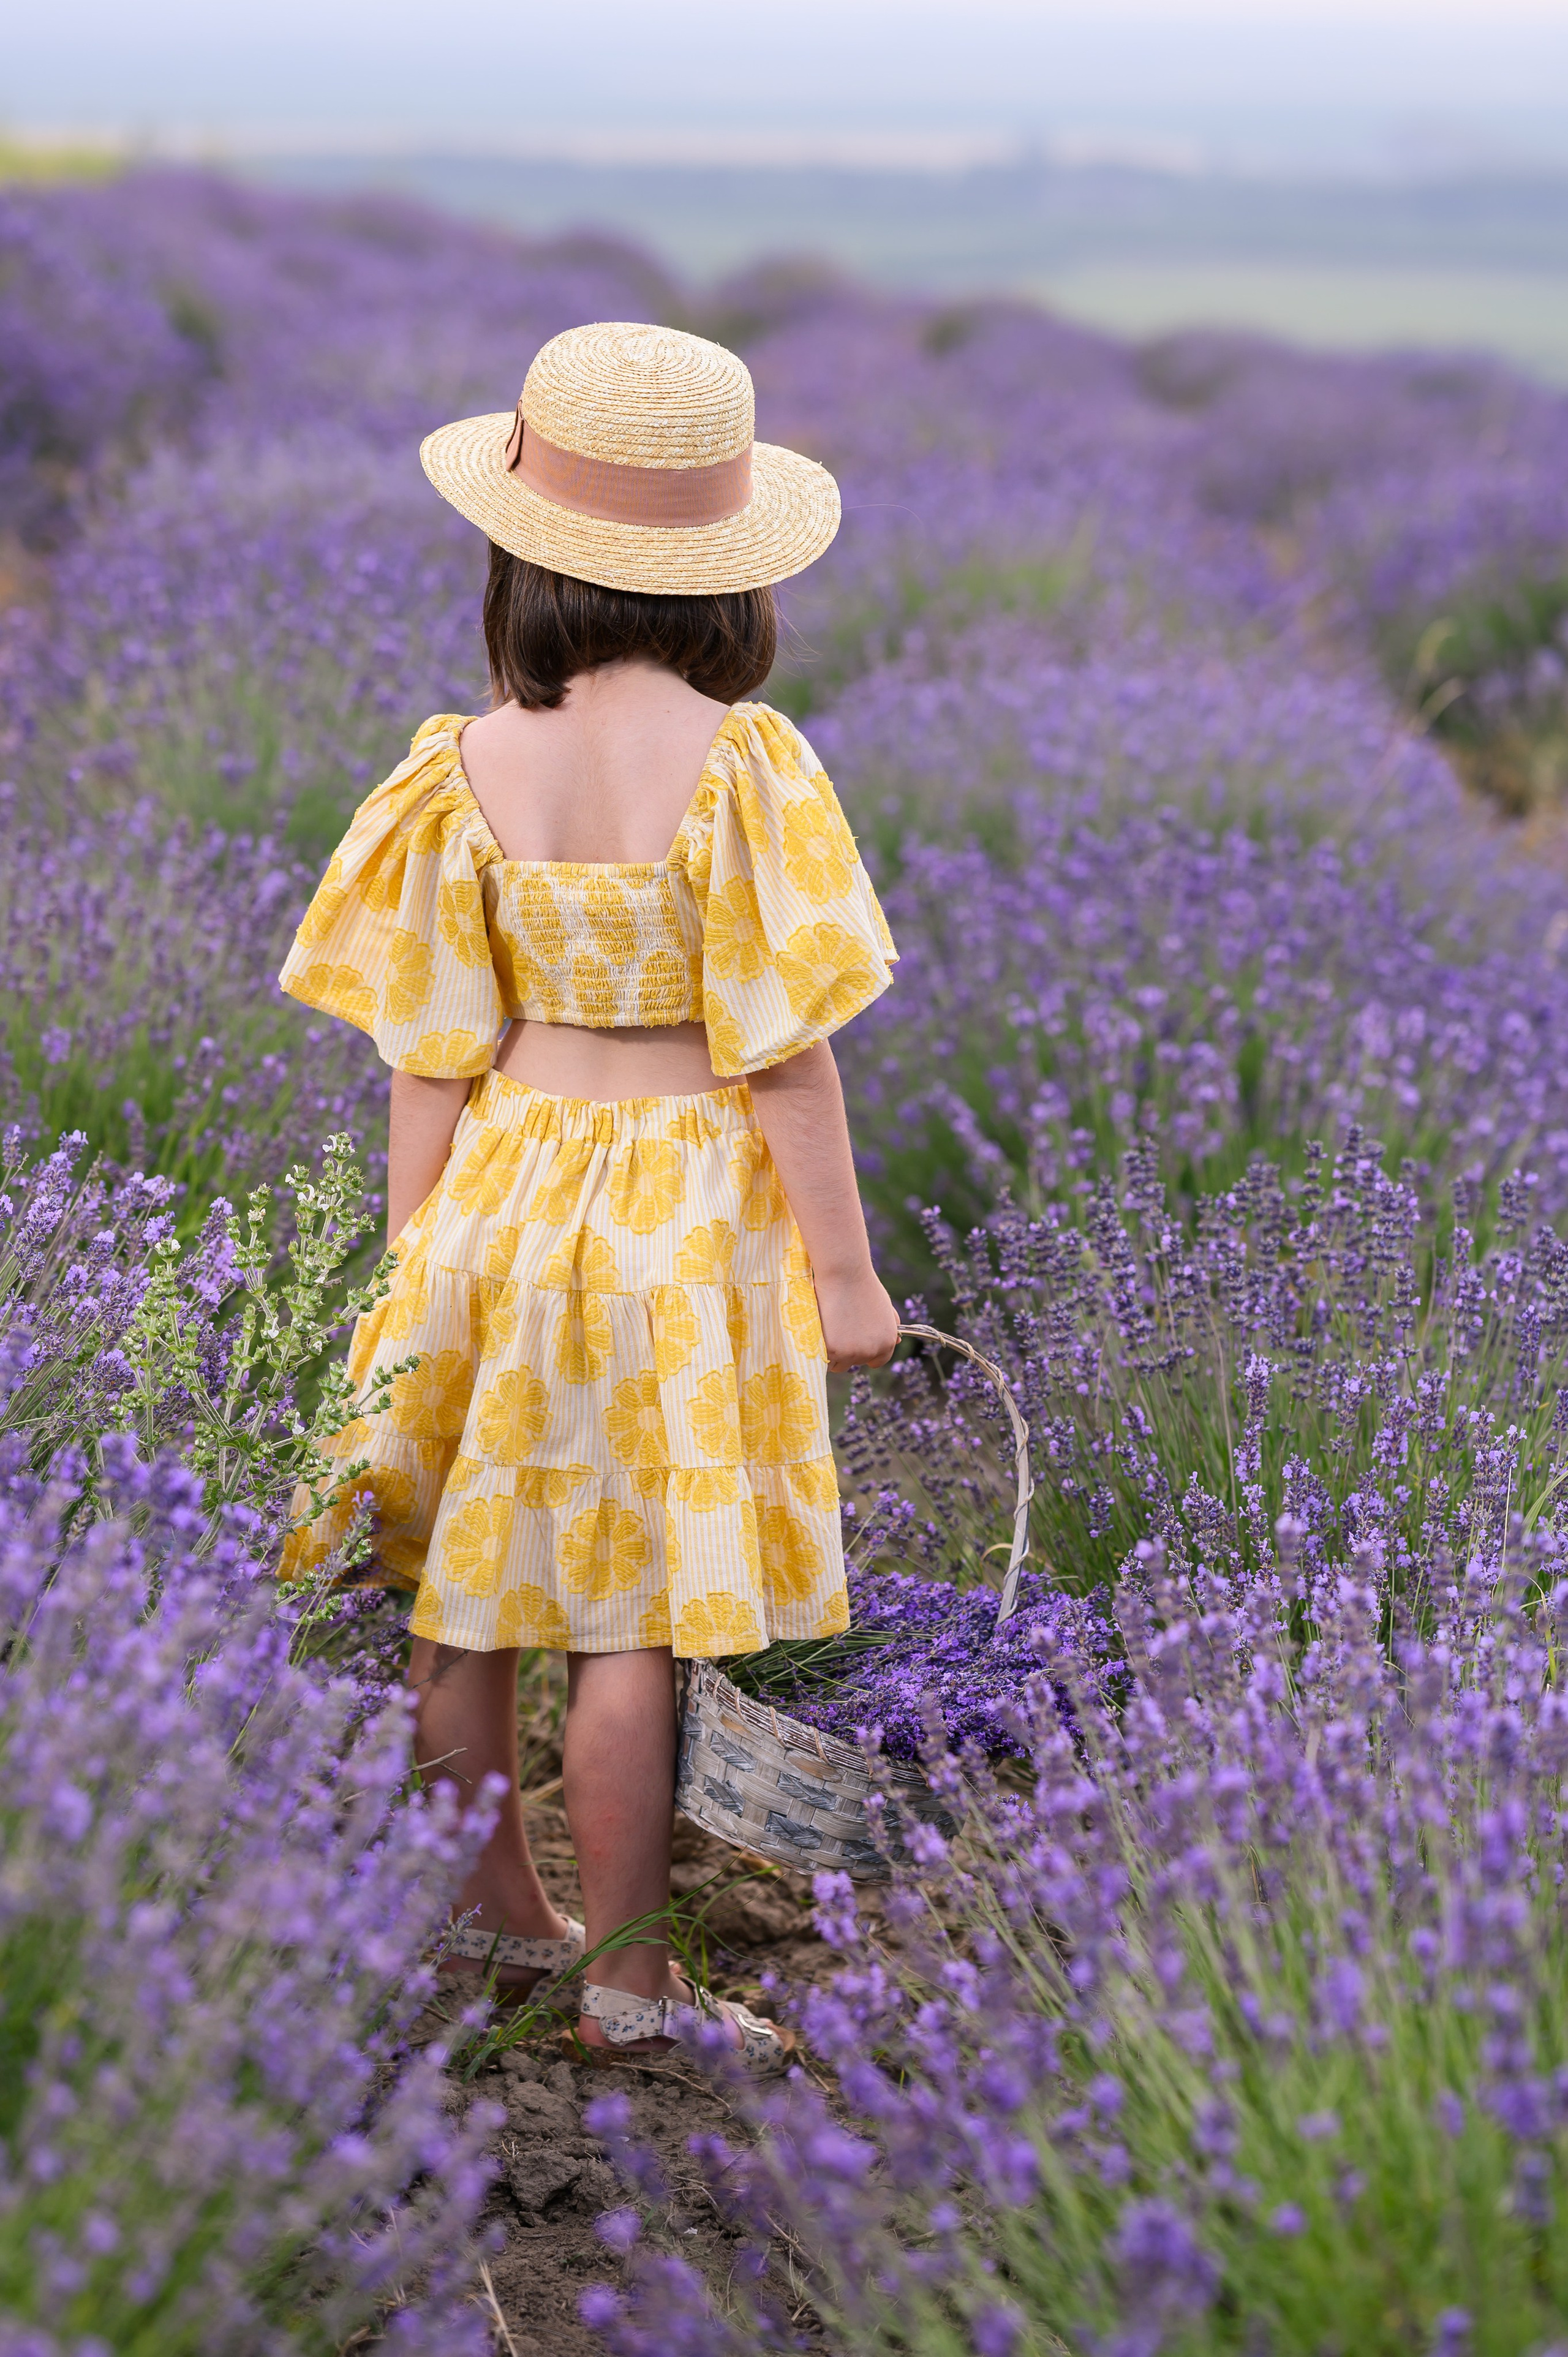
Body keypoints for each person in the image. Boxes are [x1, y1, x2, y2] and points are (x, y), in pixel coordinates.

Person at [279, 321, 899, 2069]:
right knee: (630, 1619)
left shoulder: (460, 768)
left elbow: (425, 1057)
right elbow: (785, 1058)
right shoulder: (750, 766)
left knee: (461, 1586)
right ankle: (629, 1979)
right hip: (681, 1213)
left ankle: (489, 1918)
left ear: (519, 553)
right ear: (731, 585)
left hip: (500, 1189)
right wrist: (846, 1280)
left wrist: (418, 1271)